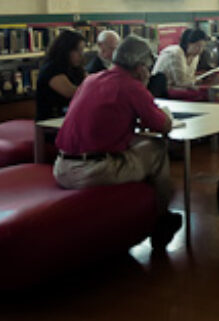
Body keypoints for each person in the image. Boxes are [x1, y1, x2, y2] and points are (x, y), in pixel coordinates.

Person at [53, 35, 182, 250]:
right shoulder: (132, 86)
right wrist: (148, 94)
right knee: (157, 149)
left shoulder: (91, 80)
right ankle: (161, 220)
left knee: (137, 144)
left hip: (61, 167)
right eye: (148, 66)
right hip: (93, 171)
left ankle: (137, 210)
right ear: (140, 67)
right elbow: (164, 126)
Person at [36, 29, 86, 121]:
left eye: (82, 50)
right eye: (77, 50)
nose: (81, 55)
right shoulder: (52, 69)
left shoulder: (75, 68)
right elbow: (71, 92)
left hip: (69, 117)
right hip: (51, 121)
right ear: (66, 50)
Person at [152, 28, 210, 101]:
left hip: (179, 87)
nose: (200, 50)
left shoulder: (195, 56)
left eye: (202, 47)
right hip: (164, 89)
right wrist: (195, 81)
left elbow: (188, 79)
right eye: (197, 46)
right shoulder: (176, 53)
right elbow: (180, 82)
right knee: (200, 95)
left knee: (205, 93)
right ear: (187, 43)